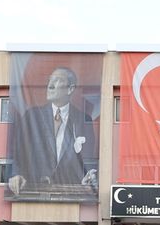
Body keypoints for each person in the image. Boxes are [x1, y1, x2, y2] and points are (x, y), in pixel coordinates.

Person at [8, 67, 98, 195]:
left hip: (69, 195)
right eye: (50, 80)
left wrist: (88, 176)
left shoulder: (83, 119)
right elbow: (18, 152)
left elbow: (86, 157)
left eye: (57, 80)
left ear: (70, 89)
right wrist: (16, 175)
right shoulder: (32, 116)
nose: (50, 85)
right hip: (34, 193)